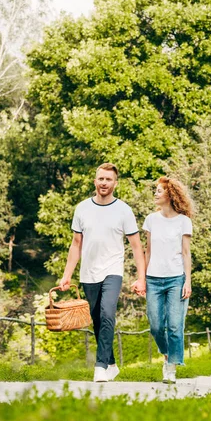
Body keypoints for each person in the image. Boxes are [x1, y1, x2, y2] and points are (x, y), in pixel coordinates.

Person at [59, 163, 146, 382]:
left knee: (108, 313)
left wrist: (141, 277)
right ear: (95, 181)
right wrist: (67, 274)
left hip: (112, 271)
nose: (104, 183)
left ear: (115, 183)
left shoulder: (124, 210)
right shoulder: (82, 208)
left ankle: (99, 367)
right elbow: (76, 244)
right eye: (101, 179)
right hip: (88, 273)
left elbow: (136, 246)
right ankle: (111, 364)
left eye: (108, 179)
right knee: (98, 320)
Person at [143, 177, 193, 384]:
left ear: (170, 195)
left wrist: (187, 281)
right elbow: (148, 250)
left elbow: (186, 252)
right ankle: (167, 353)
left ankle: (171, 367)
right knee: (155, 326)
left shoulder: (184, 221)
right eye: (155, 190)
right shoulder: (151, 220)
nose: (155, 194)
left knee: (174, 325)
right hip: (153, 279)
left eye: (159, 191)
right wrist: (142, 278)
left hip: (176, 279)